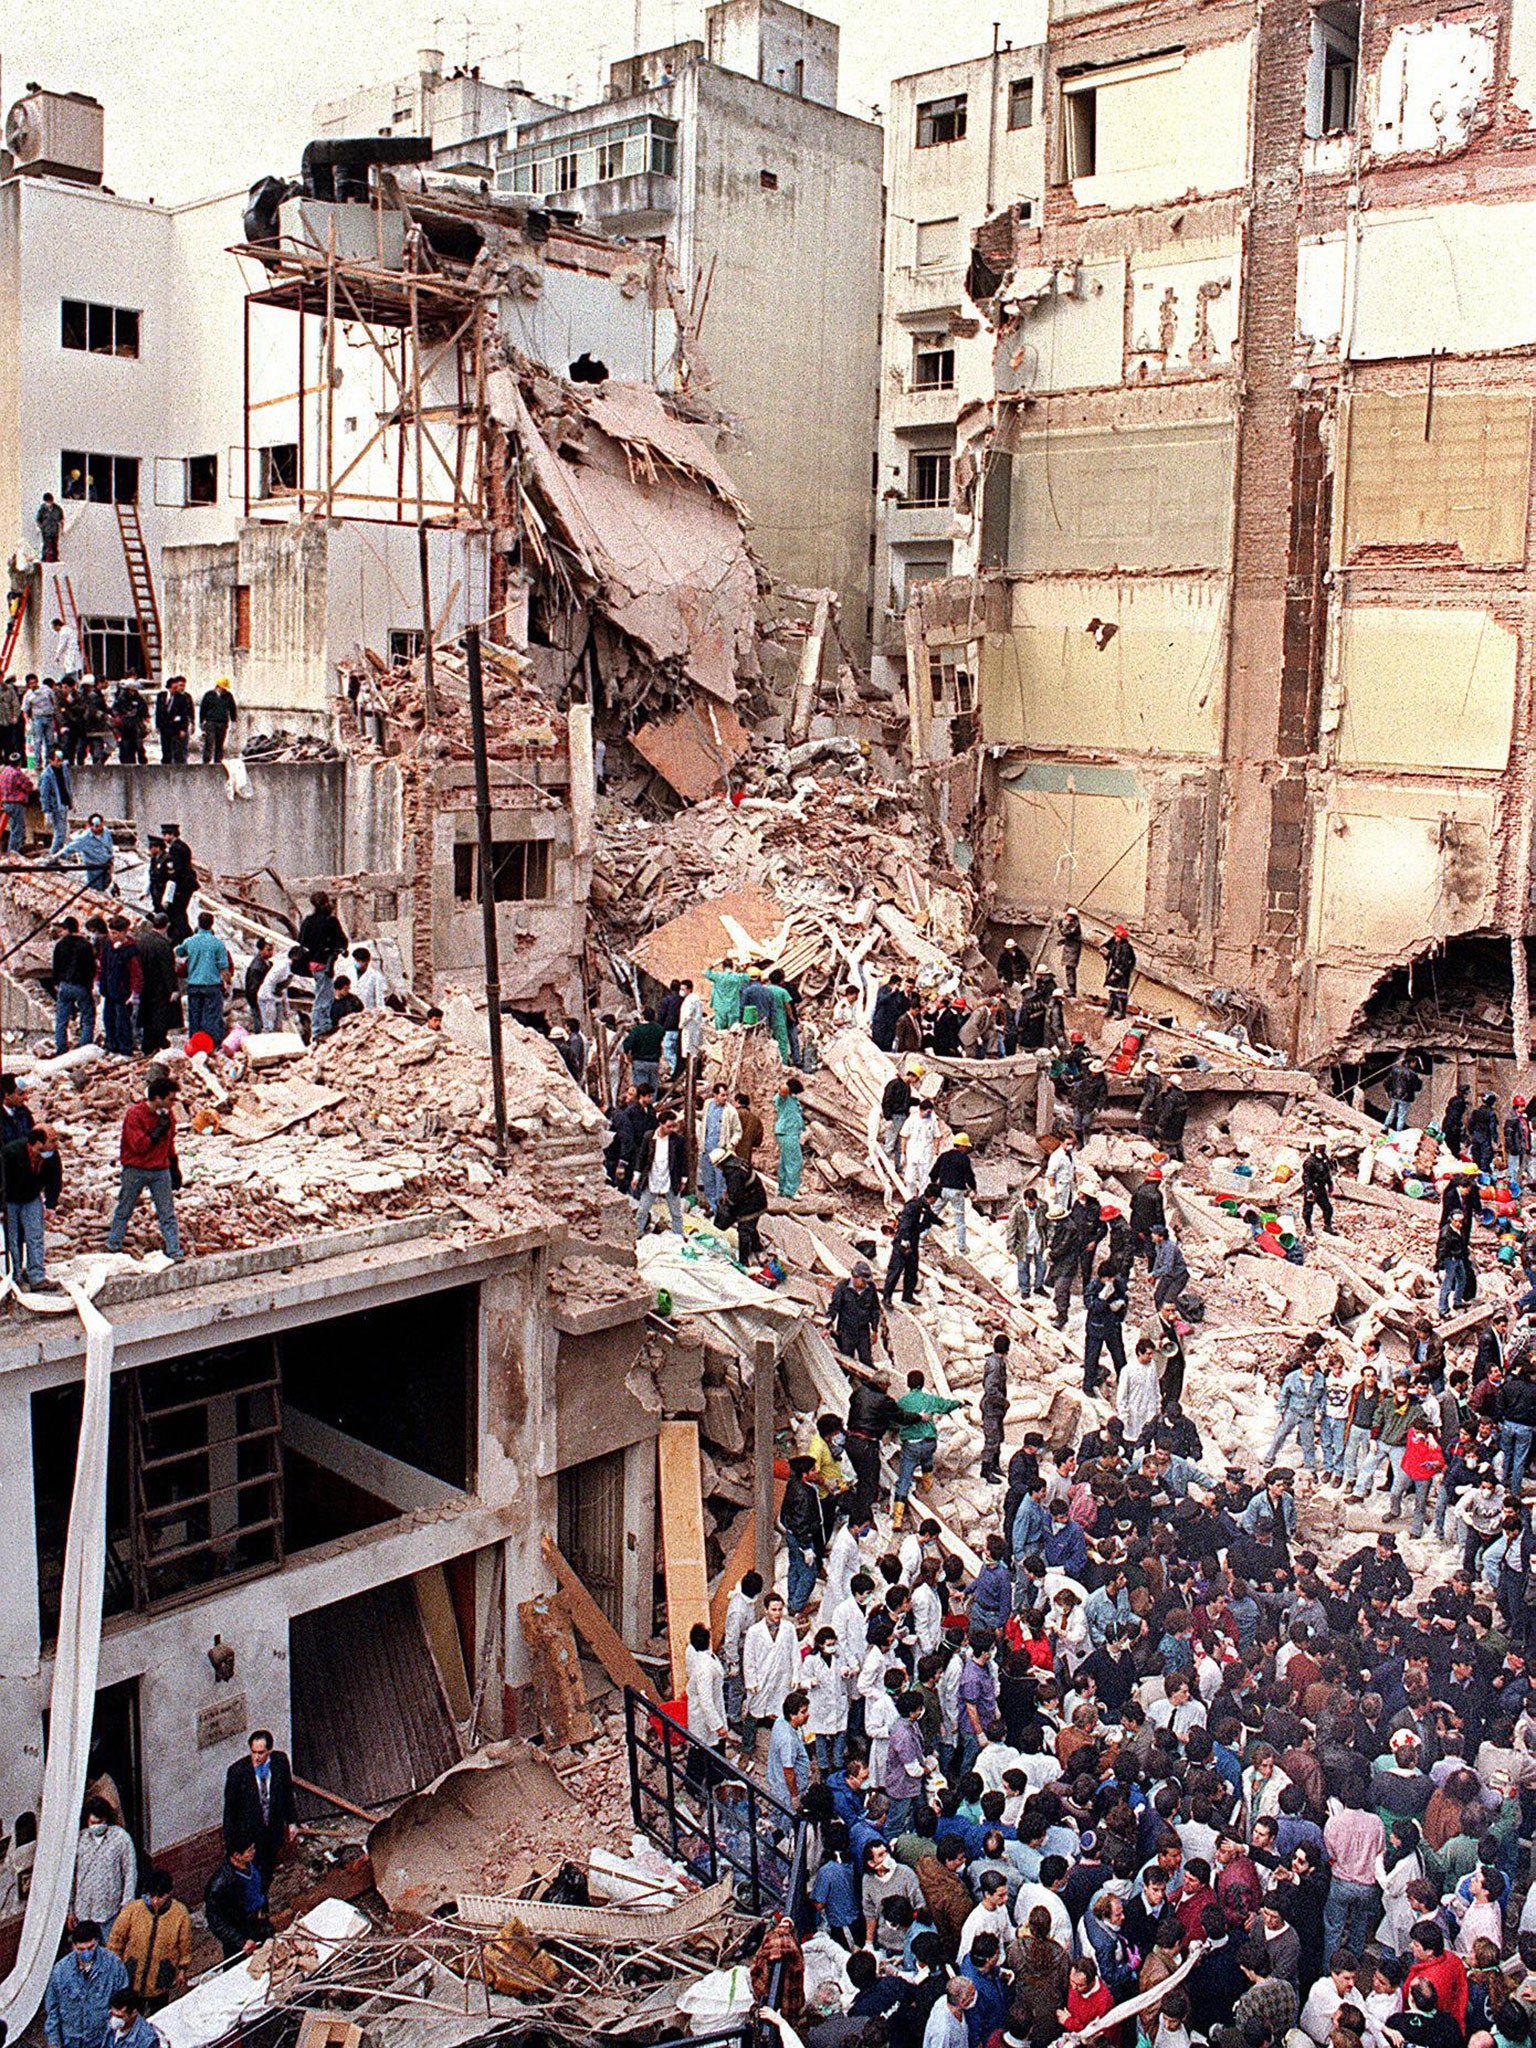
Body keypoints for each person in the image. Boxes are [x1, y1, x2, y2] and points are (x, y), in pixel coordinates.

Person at [106, 1071, 183, 1261]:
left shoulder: (167, 1116)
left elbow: (169, 1142)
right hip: (136, 1169)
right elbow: (138, 1145)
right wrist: (157, 1132)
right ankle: (113, 1244)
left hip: (160, 1169)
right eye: (171, 1099)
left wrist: (174, 1166)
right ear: (158, 1098)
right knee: (125, 1208)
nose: (174, 1103)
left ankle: (174, 1250)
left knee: (167, 1213)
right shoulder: (135, 1115)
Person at [108, 1869, 193, 2009]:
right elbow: (116, 1940)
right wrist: (115, 1968)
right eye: (151, 1896)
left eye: (160, 1897)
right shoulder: (132, 1910)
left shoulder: (180, 1914)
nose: (155, 1901)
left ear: (169, 1893)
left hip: (161, 1977)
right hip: (132, 1976)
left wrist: (183, 1969)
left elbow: (185, 1944)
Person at [44, 1922, 129, 2048]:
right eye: (80, 1949)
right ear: (73, 1946)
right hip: (71, 2040)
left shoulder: (114, 1966)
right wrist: (54, 2042)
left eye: (90, 1947)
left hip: (101, 2040)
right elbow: (53, 2009)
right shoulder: (60, 1971)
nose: (86, 1953)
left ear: (97, 1942)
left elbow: (123, 2005)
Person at [4, 1122, 61, 1290]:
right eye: (52, 1140)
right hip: (10, 1199)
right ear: (38, 1143)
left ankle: (36, 1276)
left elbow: (55, 1179)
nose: (55, 1144)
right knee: (11, 1239)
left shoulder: (50, 1156)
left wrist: (50, 1204)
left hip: (31, 1197)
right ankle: (14, 1275)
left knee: (35, 1235)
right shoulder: (11, 1153)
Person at [70, 1797, 136, 1937]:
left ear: (106, 1820)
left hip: (110, 1911)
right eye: (93, 1823)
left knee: (112, 1951)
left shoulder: (120, 1838)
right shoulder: (80, 1840)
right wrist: (70, 1910)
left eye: (100, 1822)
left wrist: (127, 1905)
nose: (96, 1826)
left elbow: (130, 1872)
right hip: (84, 1912)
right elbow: (71, 1877)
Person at [203, 1842, 271, 1958]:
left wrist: (263, 1910)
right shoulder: (219, 1885)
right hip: (240, 1931)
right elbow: (216, 1921)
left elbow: (260, 1888)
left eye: (253, 1848)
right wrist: (240, 1941)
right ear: (237, 1855)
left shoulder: (252, 1864)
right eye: (249, 1850)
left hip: (259, 1922)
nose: (254, 1852)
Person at [298, 891, 348, 1038]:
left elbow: (302, 942)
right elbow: (342, 941)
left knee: (323, 995)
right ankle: (320, 1029)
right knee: (324, 998)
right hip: (324, 964)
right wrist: (334, 951)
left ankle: (320, 1027)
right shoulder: (330, 921)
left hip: (312, 964)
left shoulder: (308, 921)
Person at [176, 909, 231, 1044]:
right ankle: (211, 1045)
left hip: (194, 984)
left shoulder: (190, 941)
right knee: (211, 1017)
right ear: (212, 925)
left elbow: (179, 951)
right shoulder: (218, 944)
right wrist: (228, 984)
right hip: (212, 985)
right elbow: (224, 967)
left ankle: (195, 1045)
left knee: (194, 1017)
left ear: (198, 924)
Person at [885, 1190, 942, 1306]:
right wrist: (904, 1242)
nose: (936, 1201)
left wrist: (942, 1223)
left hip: (913, 1242)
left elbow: (931, 1217)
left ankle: (907, 1296)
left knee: (911, 1271)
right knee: (895, 1270)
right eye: (936, 1198)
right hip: (903, 1242)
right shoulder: (913, 1205)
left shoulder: (924, 1206)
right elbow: (905, 1225)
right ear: (932, 1197)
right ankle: (887, 1297)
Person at [635, 1111, 687, 1235]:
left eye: (673, 1126)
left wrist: (683, 1179)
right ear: (661, 1124)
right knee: (642, 1210)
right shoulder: (649, 1137)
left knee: (676, 1213)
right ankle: (637, 1234)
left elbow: (683, 1160)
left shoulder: (678, 1140)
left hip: (670, 1179)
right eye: (668, 1126)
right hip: (652, 1178)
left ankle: (678, 1237)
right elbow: (642, 1157)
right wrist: (636, 1175)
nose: (671, 1129)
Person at [52, 913, 98, 1052]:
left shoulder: (60, 945)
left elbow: (56, 965)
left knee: (61, 1019)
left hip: (65, 985)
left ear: (67, 929)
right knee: (88, 1017)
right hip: (81, 986)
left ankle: (61, 1048)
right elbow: (92, 967)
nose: (60, 932)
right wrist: (90, 985)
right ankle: (84, 1049)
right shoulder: (86, 945)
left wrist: (56, 982)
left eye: (62, 929)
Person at [715, 1149, 769, 1263]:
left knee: (744, 1230)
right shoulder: (738, 1163)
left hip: (752, 1202)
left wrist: (727, 1208)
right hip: (757, 1198)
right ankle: (757, 1248)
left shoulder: (733, 1173)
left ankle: (744, 1261)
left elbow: (735, 1197)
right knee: (751, 1226)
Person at [99, 917, 142, 1056]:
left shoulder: (131, 950)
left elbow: (136, 973)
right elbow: (102, 966)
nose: (113, 936)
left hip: (123, 993)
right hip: (108, 990)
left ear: (124, 933)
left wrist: (134, 993)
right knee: (108, 1019)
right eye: (111, 933)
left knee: (122, 1021)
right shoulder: (107, 946)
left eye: (116, 933)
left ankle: (125, 1048)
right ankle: (111, 1044)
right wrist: (98, 983)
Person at [828, 1261, 883, 1368]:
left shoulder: (870, 1288)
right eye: (863, 1281)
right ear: (855, 1277)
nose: (865, 1284)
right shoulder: (842, 1287)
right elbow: (834, 1307)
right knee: (846, 1361)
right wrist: (827, 1324)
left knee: (866, 1359)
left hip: (863, 1331)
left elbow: (875, 1309)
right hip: (846, 1331)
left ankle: (867, 1382)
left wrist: (875, 1329)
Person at [930, 1130, 977, 1253]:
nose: (967, 1149)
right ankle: (962, 1247)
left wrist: (934, 1185)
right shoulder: (964, 1159)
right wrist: (974, 1188)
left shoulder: (944, 1156)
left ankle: (920, 1236)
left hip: (942, 1190)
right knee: (959, 1221)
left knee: (932, 1214)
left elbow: (933, 1173)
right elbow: (969, 1176)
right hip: (957, 1192)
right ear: (961, 1146)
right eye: (966, 1147)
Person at [699, 1083, 741, 1212]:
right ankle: (711, 1206)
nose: (725, 1098)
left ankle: (719, 1208)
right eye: (722, 1095)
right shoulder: (708, 1105)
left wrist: (730, 1145)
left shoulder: (730, 1111)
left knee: (720, 1181)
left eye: (726, 1095)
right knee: (708, 1178)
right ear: (715, 1095)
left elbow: (738, 1131)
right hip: (707, 1149)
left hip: (721, 1152)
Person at [686, 1620, 728, 1752]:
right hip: (704, 1720)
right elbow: (706, 1700)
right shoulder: (705, 1667)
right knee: (705, 1753)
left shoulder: (702, 1655)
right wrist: (718, 1725)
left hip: (711, 1710)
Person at [159, 821, 197, 943]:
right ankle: (186, 936)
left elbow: (175, 871)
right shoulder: (182, 846)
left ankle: (183, 938)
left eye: (165, 835)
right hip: (186, 884)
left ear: (172, 834)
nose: (164, 838)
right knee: (180, 912)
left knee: (178, 912)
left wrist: (169, 891)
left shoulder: (176, 849)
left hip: (182, 885)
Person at [1010, 1187, 1047, 1297]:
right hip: (1023, 1242)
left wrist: (1049, 1238)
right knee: (1023, 1267)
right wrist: (1010, 1244)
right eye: (1029, 1202)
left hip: (1039, 1242)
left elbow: (1048, 1224)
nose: (1031, 1204)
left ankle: (1038, 1286)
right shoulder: (1018, 1209)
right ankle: (1025, 1289)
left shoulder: (1043, 1207)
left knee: (1042, 1265)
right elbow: (1012, 1227)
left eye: (1033, 1201)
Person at [776, 1074, 806, 1197]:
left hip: (788, 1133)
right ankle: (791, 1190)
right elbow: (782, 1091)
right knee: (795, 1162)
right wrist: (786, 1086)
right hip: (788, 1133)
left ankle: (782, 1188)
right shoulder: (784, 1098)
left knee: (784, 1162)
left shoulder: (793, 1100)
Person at [38, 745, 70, 854]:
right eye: (57, 760)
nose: (60, 763)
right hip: (56, 806)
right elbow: (44, 794)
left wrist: (71, 802)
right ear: (51, 761)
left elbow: (67, 786)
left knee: (64, 832)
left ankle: (61, 855)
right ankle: (53, 855)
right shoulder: (46, 775)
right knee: (59, 834)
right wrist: (46, 811)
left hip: (64, 803)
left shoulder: (63, 769)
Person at [155, 676, 195, 764]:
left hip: (176, 727)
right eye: (174, 688)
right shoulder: (161, 696)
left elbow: (184, 714)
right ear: (169, 688)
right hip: (164, 727)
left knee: (178, 750)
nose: (176, 690)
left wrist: (183, 729)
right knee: (165, 750)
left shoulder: (182, 698)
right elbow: (158, 711)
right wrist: (157, 725)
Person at [198, 676, 238, 762]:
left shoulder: (228, 696)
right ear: (218, 687)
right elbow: (203, 709)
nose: (224, 690)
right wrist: (201, 721)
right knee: (209, 742)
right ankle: (206, 761)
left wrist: (233, 721)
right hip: (210, 722)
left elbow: (232, 709)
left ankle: (218, 761)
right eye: (223, 688)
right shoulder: (209, 695)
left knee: (220, 743)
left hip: (222, 722)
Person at [1103, 925, 1136, 1019]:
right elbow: (1106, 948)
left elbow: (1125, 963)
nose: (1115, 938)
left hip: (1123, 973)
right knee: (1112, 992)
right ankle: (1110, 1010)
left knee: (1121, 994)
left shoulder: (1126, 948)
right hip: (1114, 968)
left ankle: (1122, 1013)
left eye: (1117, 937)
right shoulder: (1114, 944)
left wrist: (1116, 974)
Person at [1302, 1147, 1336, 1235]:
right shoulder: (1309, 1162)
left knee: (1328, 1208)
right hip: (1312, 1189)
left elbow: (1327, 1173)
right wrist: (1309, 1189)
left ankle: (1327, 1226)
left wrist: (1330, 1184)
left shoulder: (1324, 1159)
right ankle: (1308, 1228)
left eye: (1322, 1148)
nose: (1321, 1150)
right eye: (1319, 1148)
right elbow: (1306, 1177)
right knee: (1308, 1210)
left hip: (1321, 1189)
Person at [244, 938, 275, 1025]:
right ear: (261, 949)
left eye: (272, 950)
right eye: (268, 950)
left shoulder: (266, 963)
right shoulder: (257, 967)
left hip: (262, 997)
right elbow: (253, 987)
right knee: (260, 1021)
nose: (271, 952)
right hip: (258, 999)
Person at [1057, 908, 1083, 995]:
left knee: (1070, 968)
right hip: (1070, 948)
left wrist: (1061, 925)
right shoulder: (1073, 924)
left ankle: (1072, 989)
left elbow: (1065, 933)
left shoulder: (1074, 925)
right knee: (1068, 969)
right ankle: (1070, 988)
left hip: (1073, 950)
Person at [36, 490, 64, 561]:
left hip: (54, 529)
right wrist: (38, 527)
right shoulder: (42, 509)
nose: (49, 503)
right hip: (45, 529)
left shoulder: (58, 509)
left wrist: (62, 529)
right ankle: (44, 557)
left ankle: (55, 558)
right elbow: (38, 519)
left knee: (55, 544)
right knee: (45, 544)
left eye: (50, 501)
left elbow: (61, 520)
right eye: (47, 502)